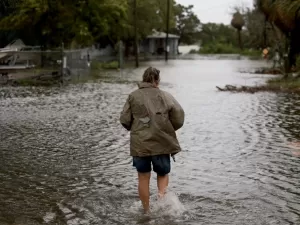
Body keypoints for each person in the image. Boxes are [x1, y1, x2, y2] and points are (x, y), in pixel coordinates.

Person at [120, 67, 185, 213]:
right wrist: (168, 128)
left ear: (143, 79)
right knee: (162, 174)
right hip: (162, 142)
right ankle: (162, 206)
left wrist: (136, 129)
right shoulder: (165, 95)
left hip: (140, 144)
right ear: (157, 81)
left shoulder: (133, 96)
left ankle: (146, 211)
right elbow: (179, 116)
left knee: (143, 177)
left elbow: (124, 119)